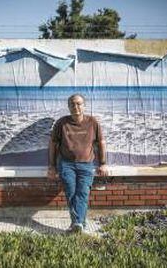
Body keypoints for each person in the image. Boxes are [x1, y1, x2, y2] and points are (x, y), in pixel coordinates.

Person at [47, 94, 108, 233]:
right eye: (72, 104)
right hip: (66, 164)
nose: (76, 107)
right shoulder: (61, 123)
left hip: (87, 164)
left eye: (79, 104)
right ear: (69, 107)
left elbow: (101, 143)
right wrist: (51, 166)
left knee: (83, 193)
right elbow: (53, 144)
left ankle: (77, 223)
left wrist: (103, 163)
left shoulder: (93, 122)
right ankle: (79, 223)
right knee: (71, 192)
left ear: (84, 105)